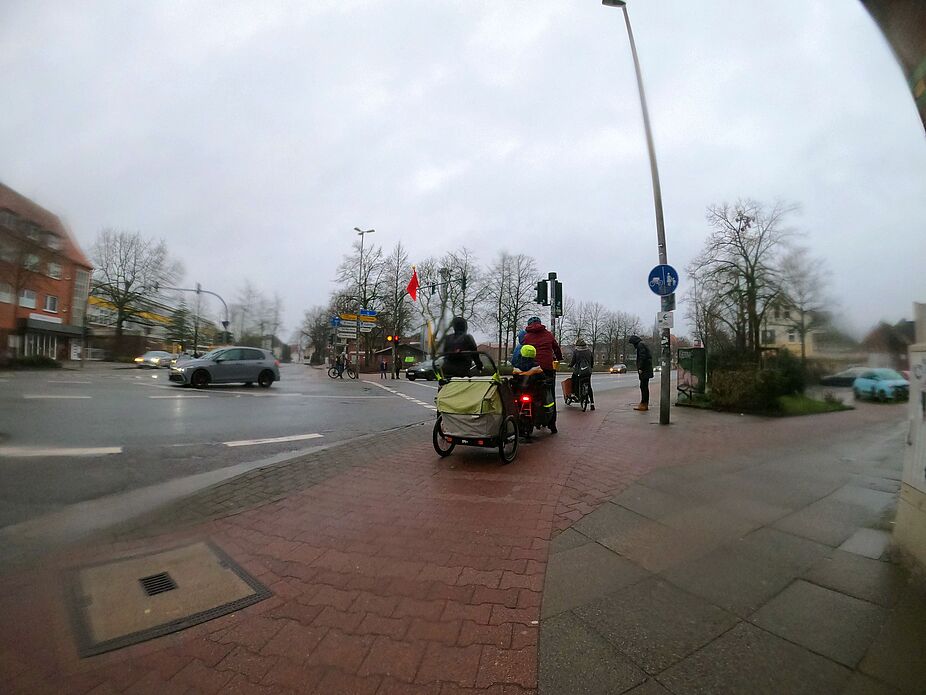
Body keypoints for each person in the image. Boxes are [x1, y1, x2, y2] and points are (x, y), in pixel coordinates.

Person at [522, 316, 563, 433]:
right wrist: (559, 358)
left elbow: (521, 349)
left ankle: (528, 419)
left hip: (532, 369)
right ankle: (552, 424)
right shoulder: (548, 334)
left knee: (530, 391)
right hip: (547, 369)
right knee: (550, 394)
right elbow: (556, 348)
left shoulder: (526, 336)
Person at [629, 335, 654, 411]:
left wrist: (640, 367)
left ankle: (644, 404)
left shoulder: (640, 345)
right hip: (647, 369)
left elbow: (642, 357)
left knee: (643, 387)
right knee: (644, 387)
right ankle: (644, 403)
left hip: (645, 369)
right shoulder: (642, 344)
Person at [569, 337, 595, 410]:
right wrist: (591, 367)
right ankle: (592, 403)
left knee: (574, 380)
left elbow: (573, 361)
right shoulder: (589, 351)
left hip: (579, 372)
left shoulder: (576, 351)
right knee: (589, 386)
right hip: (588, 372)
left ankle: (574, 394)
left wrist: (570, 365)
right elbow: (592, 361)